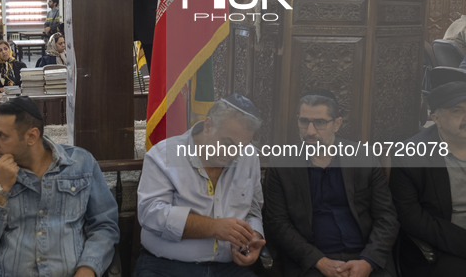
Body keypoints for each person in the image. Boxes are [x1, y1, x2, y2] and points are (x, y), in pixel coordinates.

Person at [0, 96, 119, 276]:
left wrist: (88, 268)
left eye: (1, 135)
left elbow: (104, 226)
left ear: (32, 136)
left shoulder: (80, 163)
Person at [263, 90, 398, 277]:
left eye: (319, 122)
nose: (310, 131)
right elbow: (278, 224)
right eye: (304, 121)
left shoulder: (363, 159)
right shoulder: (283, 164)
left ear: (337, 124)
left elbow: (387, 218)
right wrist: (319, 261)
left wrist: (368, 261)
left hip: (363, 258)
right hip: (311, 262)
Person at [135, 94, 265, 276]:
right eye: (227, 143)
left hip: (229, 268)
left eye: (241, 146)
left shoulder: (248, 158)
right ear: (208, 125)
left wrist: (253, 237)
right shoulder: (164, 155)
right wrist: (213, 227)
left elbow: (252, 209)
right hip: (167, 266)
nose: (233, 153)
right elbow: (150, 214)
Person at [389, 81, 466, 277]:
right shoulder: (410, 156)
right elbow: (412, 218)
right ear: (436, 118)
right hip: (440, 247)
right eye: (457, 111)